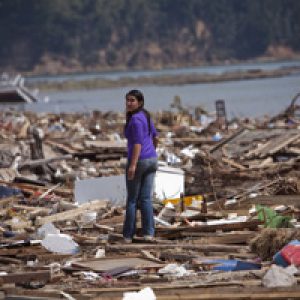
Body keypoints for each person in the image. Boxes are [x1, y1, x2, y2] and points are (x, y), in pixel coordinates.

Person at [123, 89, 158, 243]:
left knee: (132, 199)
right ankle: (148, 233)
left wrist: (133, 165)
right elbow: (155, 137)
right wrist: (151, 152)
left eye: (132, 100)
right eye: (127, 100)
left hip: (140, 161)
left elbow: (137, 143)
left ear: (140, 102)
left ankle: (128, 236)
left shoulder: (136, 119)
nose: (129, 103)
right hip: (151, 159)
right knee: (145, 199)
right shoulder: (146, 116)